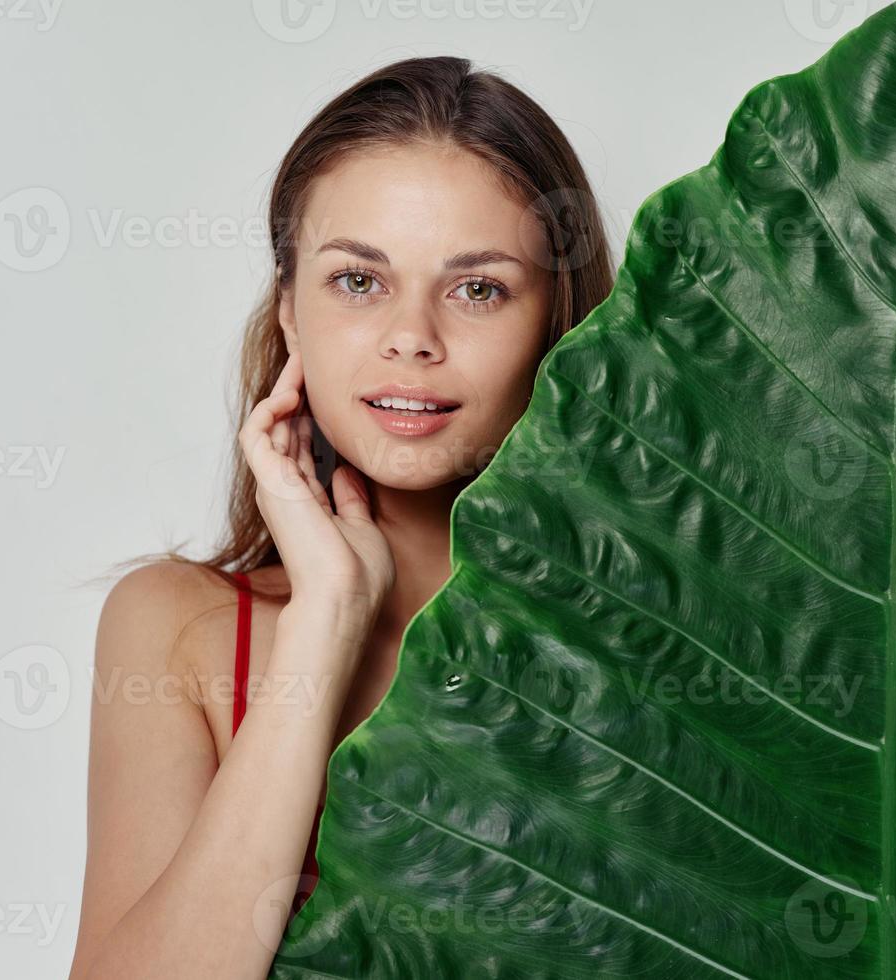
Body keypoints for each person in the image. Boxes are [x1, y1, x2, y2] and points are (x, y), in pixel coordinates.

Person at [66, 55, 614, 980]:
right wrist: (325, 622)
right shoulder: (176, 626)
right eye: (358, 281)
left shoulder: (662, 634)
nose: (412, 337)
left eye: (477, 288)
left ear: (557, 325)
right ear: (287, 308)